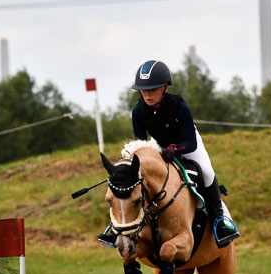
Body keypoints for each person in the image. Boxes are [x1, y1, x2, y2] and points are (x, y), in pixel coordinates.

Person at [98, 59, 240, 249]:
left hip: (187, 144)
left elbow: (190, 142)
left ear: (165, 88)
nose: (147, 94)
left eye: (153, 89)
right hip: (158, 146)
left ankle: (220, 220)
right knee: (137, 177)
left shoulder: (180, 107)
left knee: (206, 171)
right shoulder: (138, 111)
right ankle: (120, 227)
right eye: (143, 89)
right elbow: (140, 143)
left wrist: (174, 149)